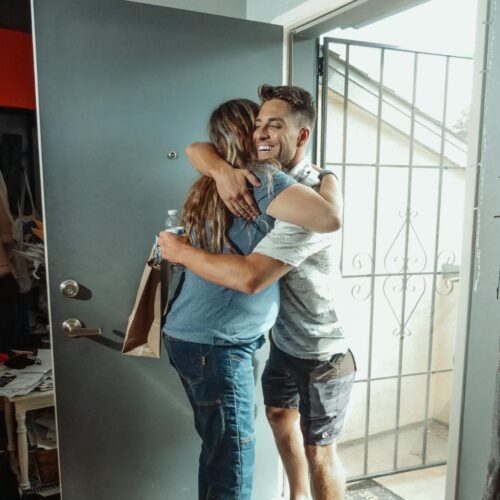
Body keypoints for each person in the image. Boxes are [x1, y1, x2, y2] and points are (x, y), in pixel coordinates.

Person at [159, 84, 356, 500]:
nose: (263, 134)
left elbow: (253, 275)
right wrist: (218, 166)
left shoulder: (283, 187)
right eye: (258, 126)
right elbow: (196, 147)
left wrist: (183, 251)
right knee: (237, 450)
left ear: (301, 135)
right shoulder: (242, 177)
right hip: (256, 341)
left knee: (309, 451)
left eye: (274, 126)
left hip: (318, 346)